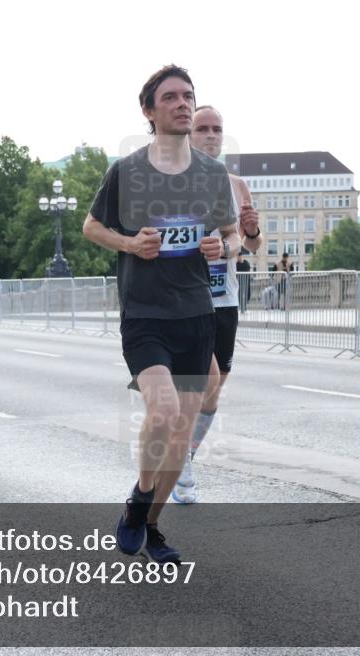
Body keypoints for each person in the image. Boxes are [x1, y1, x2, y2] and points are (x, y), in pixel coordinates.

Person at [83, 65, 241, 563]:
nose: (182, 103)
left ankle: (149, 523)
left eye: (187, 95)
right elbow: (91, 227)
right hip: (145, 313)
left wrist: (223, 246)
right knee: (165, 412)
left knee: (181, 431)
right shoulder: (127, 171)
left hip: (196, 314)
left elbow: (233, 235)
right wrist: (131, 243)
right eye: (170, 97)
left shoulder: (211, 174)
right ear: (148, 111)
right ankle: (140, 499)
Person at [173, 105, 262, 504]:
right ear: (189, 134)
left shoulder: (237, 185)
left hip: (224, 296)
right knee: (201, 382)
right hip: (186, 297)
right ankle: (180, 464)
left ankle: (185, 454)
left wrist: (251, 231)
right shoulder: (174, 181)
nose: (211, 135)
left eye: (217, 129)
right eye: (203, 128)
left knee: (214, 388)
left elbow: (252, 245)